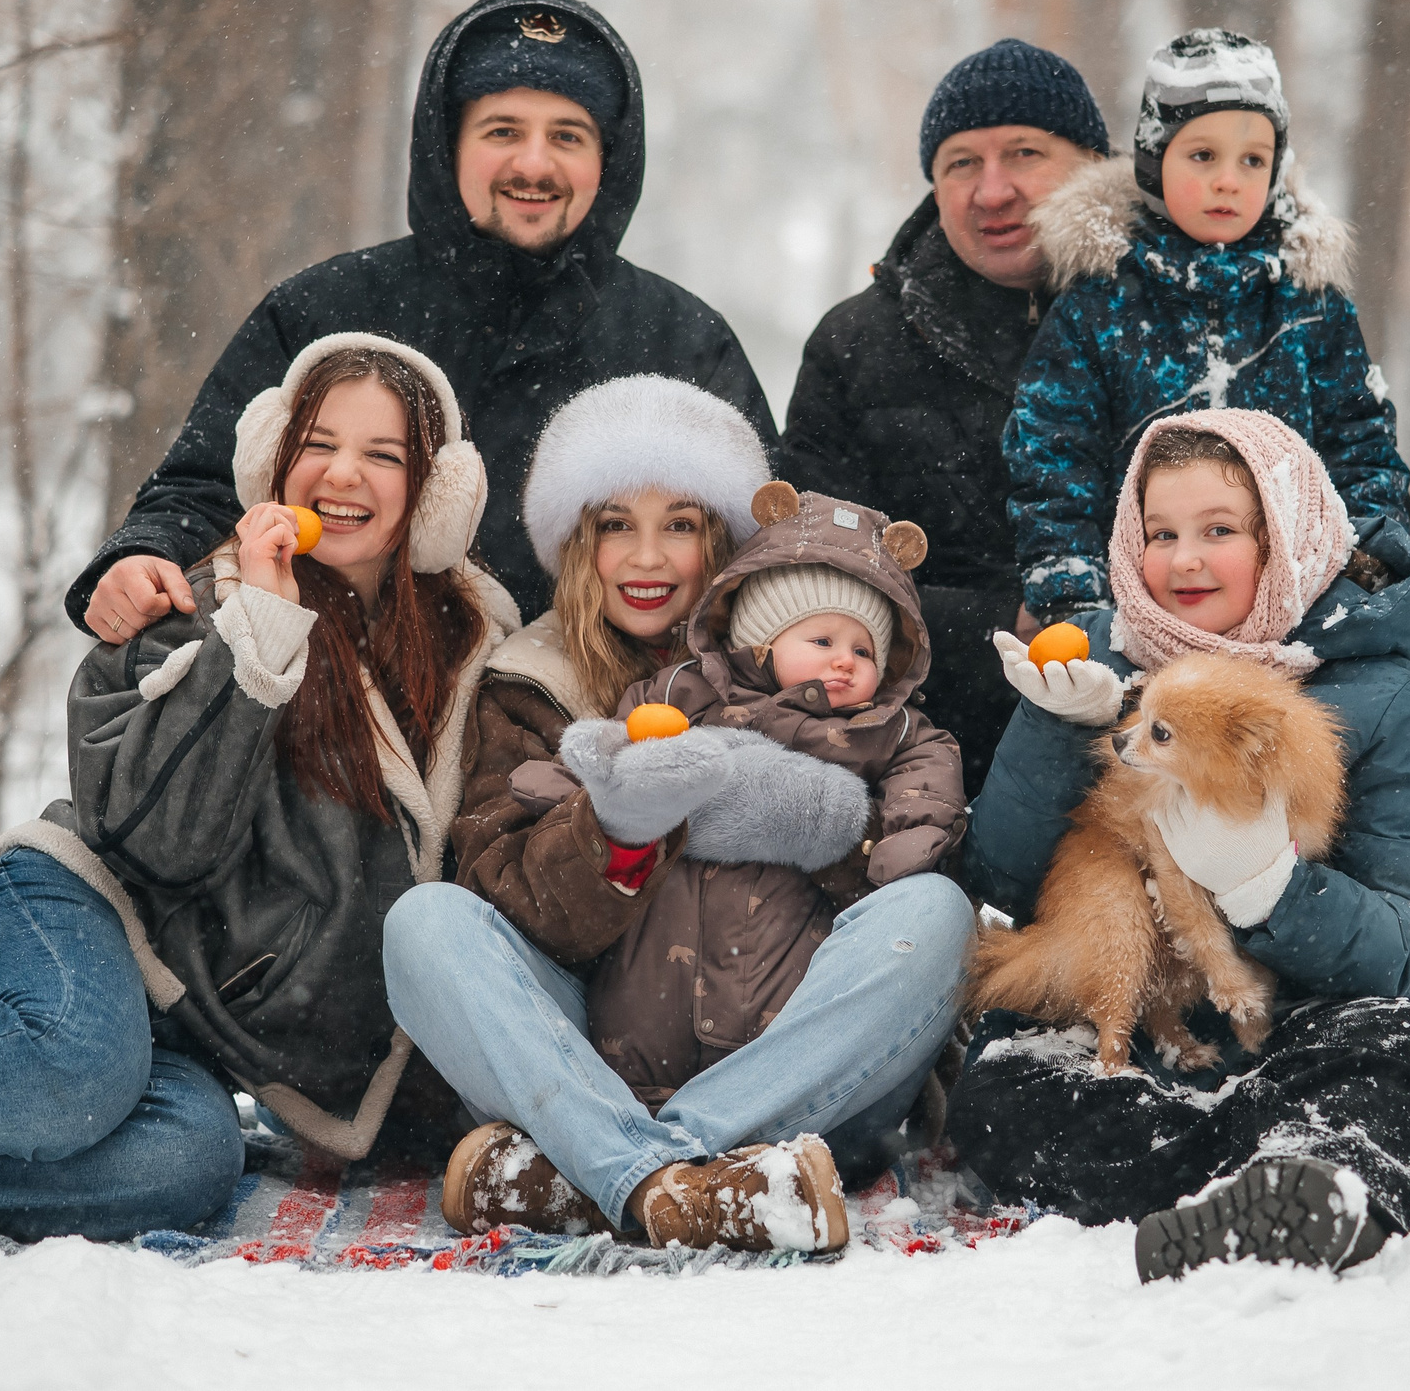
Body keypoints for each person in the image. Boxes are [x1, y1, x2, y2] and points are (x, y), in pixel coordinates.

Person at [0, 336, 519, 1239]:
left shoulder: (474, 650)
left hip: (178, 1031)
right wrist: (259, 639)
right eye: (319, 443)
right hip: (76, 910)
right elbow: (157, 847)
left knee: (190, 1160)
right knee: (74, 1068)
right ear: (275, 461)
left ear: (433, 493)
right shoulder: (189, 605)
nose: (342, 474)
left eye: (384, 454)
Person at [383, 376, 974, 1254]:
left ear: (726, 541)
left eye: (682, 524)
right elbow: (505, 890)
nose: (648, 557)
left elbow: (904, 856)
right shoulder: (533, 678)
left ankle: (607, 1178)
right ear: (579, 542)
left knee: (938, 917)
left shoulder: (838, 657)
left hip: (800, 1078)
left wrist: (811, 819)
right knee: (423, 923)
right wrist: (616, 834)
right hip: (601, 1059)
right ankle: (684, 1183)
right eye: (617, 523)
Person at [947, 409, 1410, 1279]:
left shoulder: (1390, 703)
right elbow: (1006, 875)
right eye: (1159, 532)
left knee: (1390, 1046)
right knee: (1002, 1087)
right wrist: (1060, 730)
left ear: (1285, 537)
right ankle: (1302, 1173)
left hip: (1308, 1025)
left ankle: (1308, 1169)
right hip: (1150, 1031)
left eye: (1220, 530)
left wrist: (1274, 889)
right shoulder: (1104, 668)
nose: (1183, 560)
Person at [71, 0, 776, 650]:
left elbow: (770, 551)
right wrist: (145, 551)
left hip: (588, 734)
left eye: (568, 136)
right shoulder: (327, 309)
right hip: (341, 720)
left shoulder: (681, 339)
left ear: (608, 162)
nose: (534, 163)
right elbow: (204, 483)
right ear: (448, 145)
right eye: (503, 130)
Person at [782, 38, 1109, 791]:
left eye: (1025, 153)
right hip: (919, 761)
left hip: (1149, 750)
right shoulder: (854, 345)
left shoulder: (1163, 324)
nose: (992, 191)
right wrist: (1006, 623)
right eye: (962, 162)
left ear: (1093, 165)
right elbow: (811, 574)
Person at [1004, 28, 1410, 625]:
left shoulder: (1309, 305)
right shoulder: (1099, 305)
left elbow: (1362, 444)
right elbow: (1053, 462)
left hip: (1299, 616)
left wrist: (1357, 571)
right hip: (1143, 614)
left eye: (1253, 160)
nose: (1229, 179)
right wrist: (1076, 604)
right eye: (1203, 155)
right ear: (1153, 161)